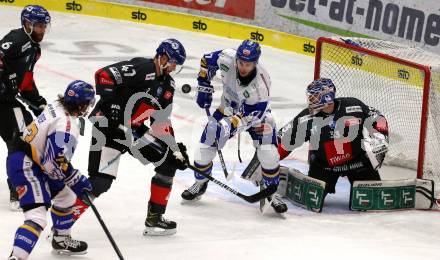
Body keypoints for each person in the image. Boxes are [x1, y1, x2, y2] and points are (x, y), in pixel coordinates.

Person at [72, 38, 189, 236]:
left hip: (131, 131)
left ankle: (154, 219)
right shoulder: (142, 68)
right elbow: (103, 75)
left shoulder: (168, 86)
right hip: (108, 127)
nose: (173, 67)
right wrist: (113, 107)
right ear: (162, 56)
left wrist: (174, 149)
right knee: (100, 182)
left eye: (176, 64)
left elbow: (160, 121)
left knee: (167, 162)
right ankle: (62, 225)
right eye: (172, 62)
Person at [181, 39, 287, 213]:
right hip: (227, 110)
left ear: (256, 63)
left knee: (268, 153)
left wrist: (229, 125)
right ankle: (200, 184)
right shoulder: (226, 58)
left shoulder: (261, 85)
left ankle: (271, 193)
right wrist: (204, 86)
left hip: (255, 117)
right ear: (236, 58)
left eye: (248, 64)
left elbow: (252, 116)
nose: (243, 67)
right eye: (241, 62)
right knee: (202, 151)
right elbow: (206, 61)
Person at [243, 78, 389, 202]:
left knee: (373, 200)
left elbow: (377, 117)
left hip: (359, 163)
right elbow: (285, 140)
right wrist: (267, 163)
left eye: (313, 97)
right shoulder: (307, 117)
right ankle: (281, 177)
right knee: (311, 201)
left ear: (326, 97)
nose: (310, 100)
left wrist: (380, 136)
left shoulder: (354, 106)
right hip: (324, 166)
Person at [6, 80, 95, 259]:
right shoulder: (67, 126)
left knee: (67, 195)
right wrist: (76, 179)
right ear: (82, 104)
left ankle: (61, 239)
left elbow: (52, 160)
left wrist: (71, 181)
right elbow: (54, 164)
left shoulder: (56, 105)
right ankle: (16, 257)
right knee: (37, 217)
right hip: (27, 164)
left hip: (31, 157)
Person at [0, 5, 50, 211]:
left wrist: (37, 102)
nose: (42, 30)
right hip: (2, 101)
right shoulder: (18, 39)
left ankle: (22, 183)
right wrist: (4, 78)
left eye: (44, 26)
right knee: (20, 138)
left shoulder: (33, 48)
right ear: (27, 25)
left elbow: (26, 80)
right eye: (38, 26)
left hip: (7, 101)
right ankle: (18, 190)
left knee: (29, 134)